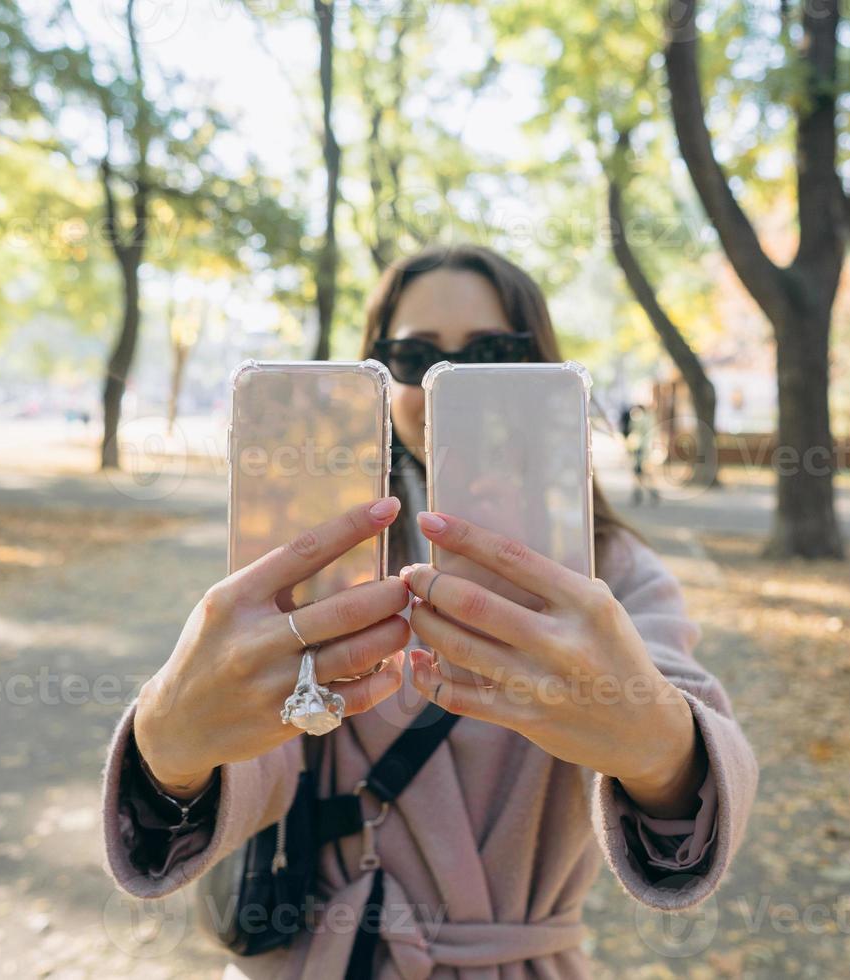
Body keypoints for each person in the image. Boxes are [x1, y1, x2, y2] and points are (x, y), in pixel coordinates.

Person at [101, 244, 758, 977]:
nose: (448, 381)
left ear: (540, 368)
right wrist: (170, 754)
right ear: (378, 376)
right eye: (413, 355)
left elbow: (691, 732)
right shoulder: (314, 549)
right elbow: (264, 749)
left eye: (493, 352)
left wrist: (663, 753)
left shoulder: (608, 574)